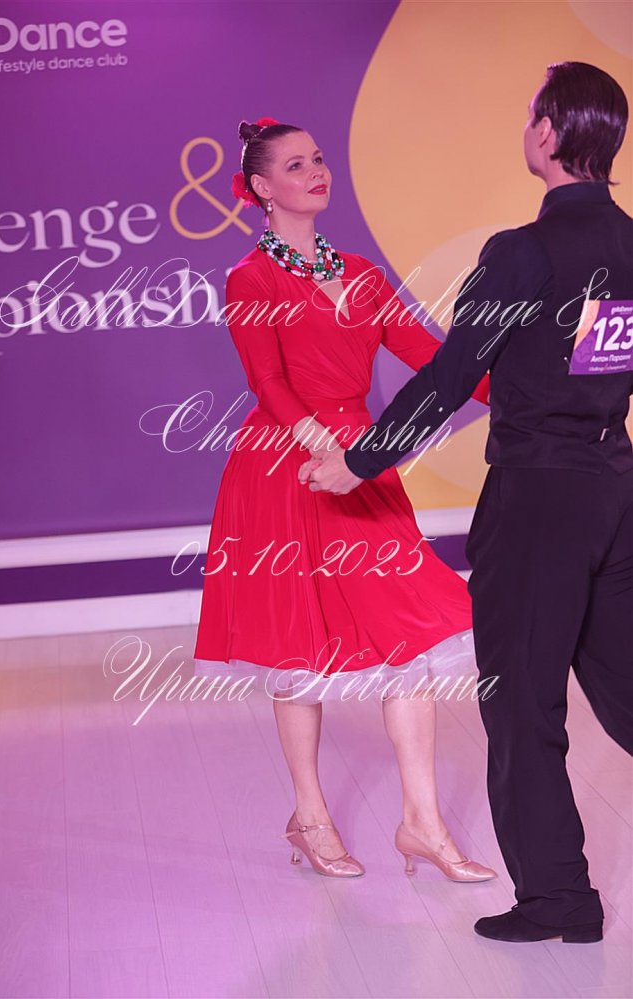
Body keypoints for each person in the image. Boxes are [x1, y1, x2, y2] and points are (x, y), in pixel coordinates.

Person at [304, 62, 632, 942]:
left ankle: (559, 898)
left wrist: (360, 460)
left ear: (550, 134)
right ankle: (561, 894)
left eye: (531, 114)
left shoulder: (523, 252)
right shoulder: (631, 244)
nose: (526, 125)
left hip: (539, 500)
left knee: (521, 702)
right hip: (615, 486)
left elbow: (450, 376)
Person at [193, 116, 496, 882]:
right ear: (261, 187)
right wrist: (324, 447)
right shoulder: (250, 277)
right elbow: (267, 381)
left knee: (411, 635)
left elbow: (434, 359)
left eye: (319, 159)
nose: (316, 172)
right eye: (296, 165)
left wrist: (519, 392)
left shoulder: (360, 273)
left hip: (362, 462)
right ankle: (312, 815)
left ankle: (422, 823)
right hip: (287, 468)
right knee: (298, 647)